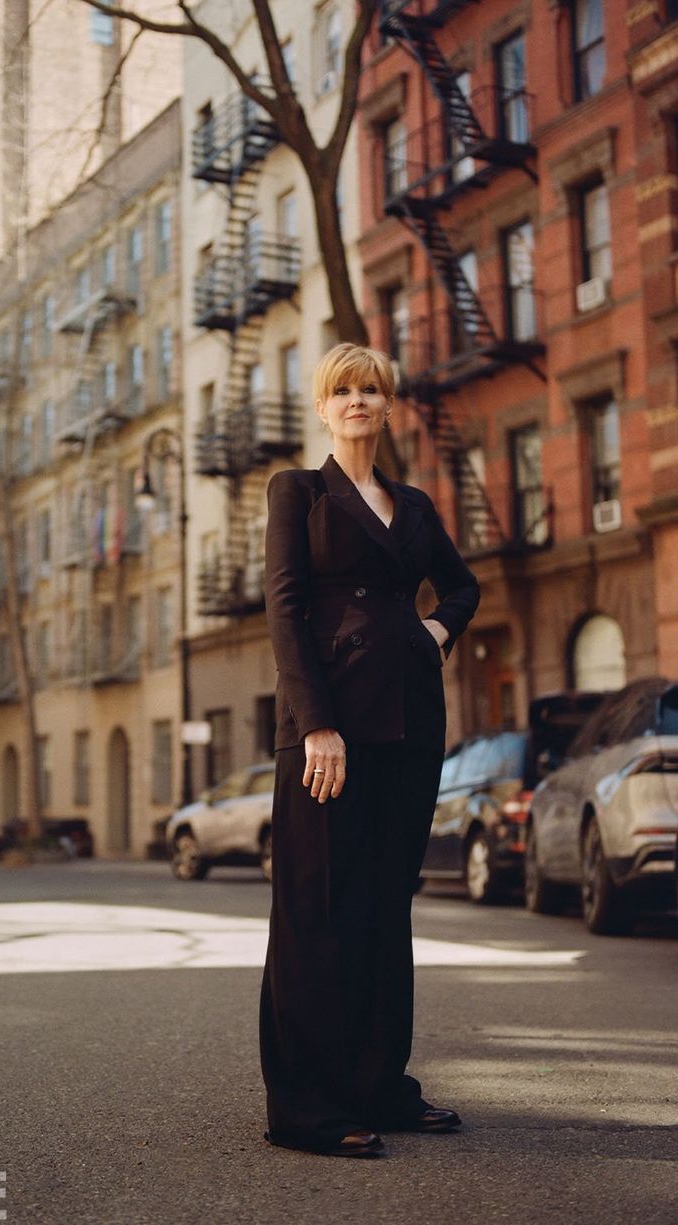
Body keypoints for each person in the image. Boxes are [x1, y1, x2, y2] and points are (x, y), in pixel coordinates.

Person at [259, 343, 481, 1159]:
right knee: (317, 913)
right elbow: (285, 610)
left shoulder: (415, 505)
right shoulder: (299, 491)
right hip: (327, 731)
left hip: (410, 727)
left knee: (387, 906)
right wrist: (316, 723)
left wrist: (432, 630)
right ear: (323, 408)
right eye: (341, 390)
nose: (357, 400)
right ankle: (308, 1107)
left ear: (389, 407)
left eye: (371, 390)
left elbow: (464, 586)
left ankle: (381, 1084)